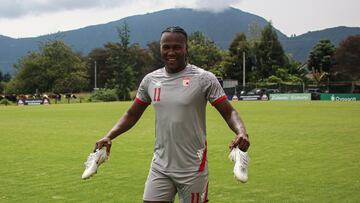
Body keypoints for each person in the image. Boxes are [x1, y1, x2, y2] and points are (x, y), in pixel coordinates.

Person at [94, 26, 250, 203]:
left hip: (193, 168)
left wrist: (241, 132)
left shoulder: (204, 79)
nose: (171, 52)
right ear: (160, 48)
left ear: (186, 48)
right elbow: (131, 114)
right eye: (166, 47)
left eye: (177, 47)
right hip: (160, 166)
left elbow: (229, 112)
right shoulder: (150, 80)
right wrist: (109, 136)